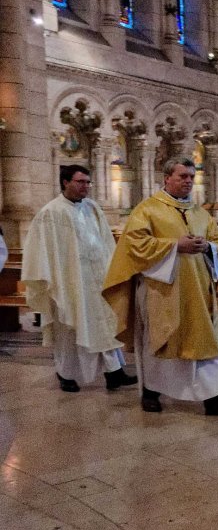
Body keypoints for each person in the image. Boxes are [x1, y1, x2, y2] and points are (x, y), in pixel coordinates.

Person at [103, 158, 218, 415]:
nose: (188, 181)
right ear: (167, 178)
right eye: (182, 176)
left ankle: (215, 398)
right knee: (159, 341)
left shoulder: (200, 213)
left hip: (198, 292)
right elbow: (134, 245)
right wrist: (174, 246)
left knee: (206, 343)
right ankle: (151, 392)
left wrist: (208, 247)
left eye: (191, 176)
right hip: (162, 291)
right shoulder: (148, 210)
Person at [22, 165, 137, 392]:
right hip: (67, 282)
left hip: (96, 278)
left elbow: (106, 242)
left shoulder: (92, 208)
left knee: (104, 323)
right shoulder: (50, 213)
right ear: (65, 182)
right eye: (80, 182)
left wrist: (113, 271)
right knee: (68, 328)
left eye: (88, 182)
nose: (86, 187)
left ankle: (114, 372)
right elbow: (41, 251)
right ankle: (66, 374)